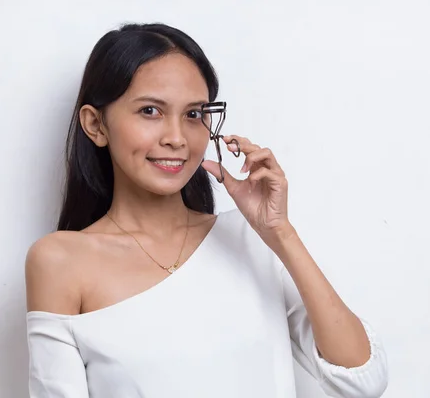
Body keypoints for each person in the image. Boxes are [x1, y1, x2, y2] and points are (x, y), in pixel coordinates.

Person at [25, 23, 389, 398]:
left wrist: (280, 233)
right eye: (150, 110)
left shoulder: (253, 241)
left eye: (194, 114)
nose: (177, 138)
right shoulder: (61, 262)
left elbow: (362, 380)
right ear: (95, 124)